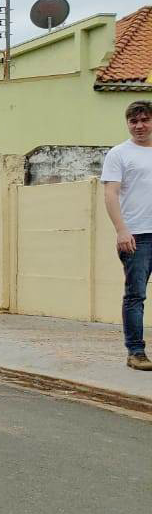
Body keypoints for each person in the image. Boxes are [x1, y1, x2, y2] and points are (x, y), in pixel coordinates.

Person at [101, 100, 152, 371]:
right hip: (136, 236)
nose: (139, 126)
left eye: (145, 120)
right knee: (136, 295)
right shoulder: (119, 153)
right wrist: (121, 229)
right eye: (134, 121)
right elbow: (110, 193)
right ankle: (135, 352)